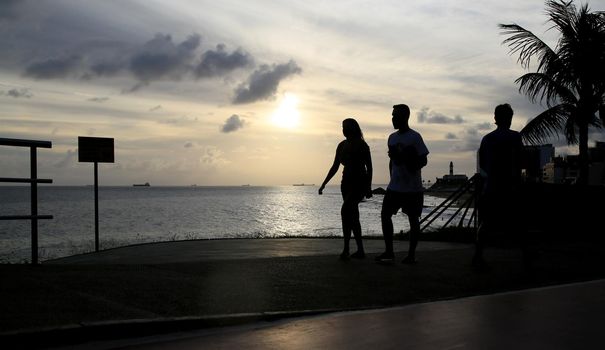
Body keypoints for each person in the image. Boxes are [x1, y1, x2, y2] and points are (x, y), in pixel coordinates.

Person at [472, 103, 524, 270]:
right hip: (511, 186)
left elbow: (484, 165)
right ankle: (525, 255)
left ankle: (478, 255)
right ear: (510, 118)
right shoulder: (515, 137)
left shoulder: (487, 139)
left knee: (485, 223)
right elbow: (521, 161)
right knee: (518, 222)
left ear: (495, 118)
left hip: (491, 186)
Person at [376, 104, 429, 264]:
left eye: (395, 116)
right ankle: (389, 251)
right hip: (395, 187)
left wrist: (406, 157)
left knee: (413, 220)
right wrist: (392, 177)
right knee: (385, 215)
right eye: (392, 115)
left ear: (404, 117)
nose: (392, 118)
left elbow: (423, 160)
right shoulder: (392, 137)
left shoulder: (415, 137)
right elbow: (392, 161)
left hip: (412, 188)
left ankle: (411, 254)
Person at [319, 118, 373, 260]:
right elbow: (335, 166)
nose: (344, 130)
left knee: (345, 211)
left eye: (346, 127)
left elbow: (370, 168)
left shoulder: (362, 145)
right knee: (352, 216)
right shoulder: (341, 145)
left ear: (354, 128)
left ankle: (347, 249)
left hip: (359, 182)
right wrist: (324, 183)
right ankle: (358, 250)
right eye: (342, 127)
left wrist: (368, 186)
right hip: (346, 184)